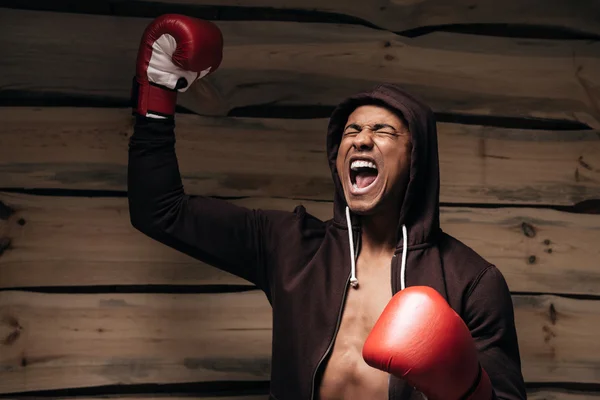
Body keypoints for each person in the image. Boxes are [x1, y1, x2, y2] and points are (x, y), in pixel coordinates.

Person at [127, 14, 527, 400]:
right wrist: (157, 93)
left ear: (416, 158)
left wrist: (466, 388)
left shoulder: (472, 282)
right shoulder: (290, 246)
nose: (361, 139)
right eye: (351, 131)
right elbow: (161, 210)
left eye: (382, 130)